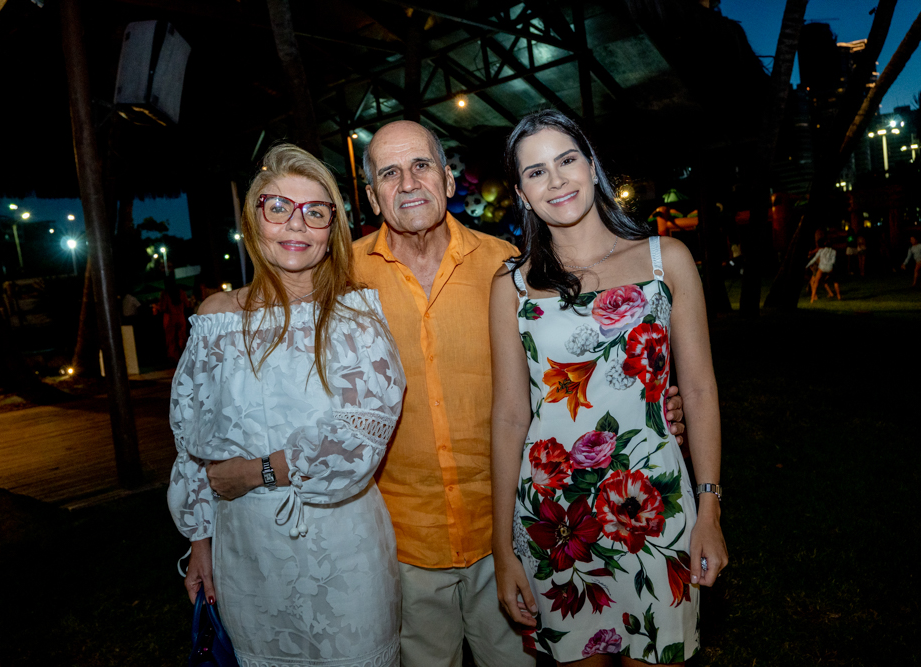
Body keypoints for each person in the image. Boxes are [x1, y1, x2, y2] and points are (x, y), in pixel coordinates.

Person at [212, 120, 686, 667]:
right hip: (401, 546)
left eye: (421, 166)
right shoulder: (340, 279)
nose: (408, 182)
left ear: (447, 176)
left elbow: (571, 365)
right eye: (389, 172)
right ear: (371, 196)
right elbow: (272, 356)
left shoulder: (510, 268)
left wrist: (653, 404)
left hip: (507, 532)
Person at [490, 110, 727, 665]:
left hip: (655, 501)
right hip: (555, 516)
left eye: (567, 159)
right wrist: (503, 547)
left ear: (592, 166)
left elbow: (698, 391)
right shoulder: (512, 284)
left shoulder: (665, 259)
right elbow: (507, 417)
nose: (557, 180)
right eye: (536, 171)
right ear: (523, 194)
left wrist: (709, 509)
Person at [169, 144, 406, 666]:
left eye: (315, 212)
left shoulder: (357, 319)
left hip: (343, 553)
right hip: (245, 555)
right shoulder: (216, 318)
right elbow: (192, 444)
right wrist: (200, 542)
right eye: (278, 207)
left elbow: (357, 442)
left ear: (331, 230)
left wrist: (254, 473)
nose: (295, 225)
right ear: (254, 219)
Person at [806, 237, 838, 303]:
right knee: (823, 281)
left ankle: (814, 296)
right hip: (824, 267)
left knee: (813, 281)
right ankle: (831, 293)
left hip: (818, 267)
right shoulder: (825, 249)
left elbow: (810, 253)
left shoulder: (818, 249)